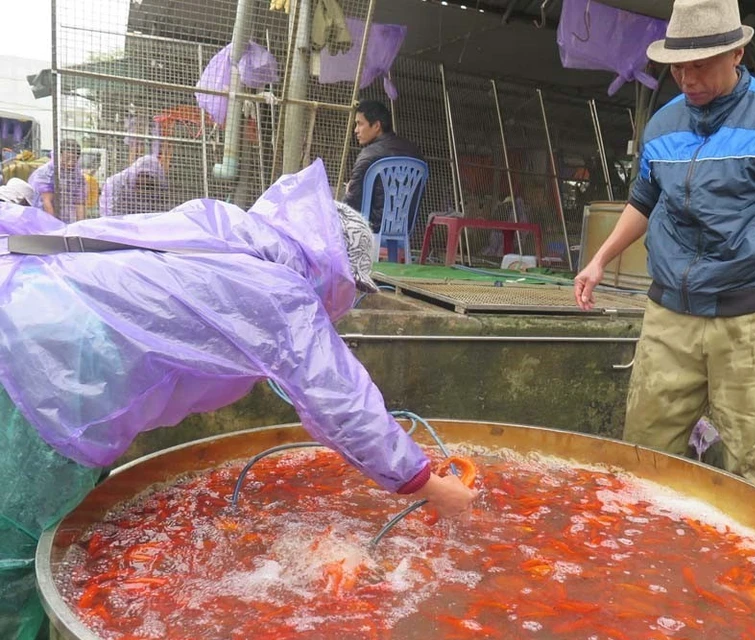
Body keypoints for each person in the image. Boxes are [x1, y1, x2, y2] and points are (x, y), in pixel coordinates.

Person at [0, 159, 475, 639]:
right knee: (18, 551)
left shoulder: (232, 232)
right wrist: (430, 487)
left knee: (58, 527)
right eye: (354, 289)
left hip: (23, 300)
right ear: (337, 267)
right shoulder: (281, 290)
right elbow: (344, 405)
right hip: (48, 370)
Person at [574, 0, 755, 493]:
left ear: (736, 53)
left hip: (748, 317)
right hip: (669, 312)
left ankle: (743, 565)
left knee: (750, 458)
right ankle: (647, 551)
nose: (688, 78)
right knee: (645, 449)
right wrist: (599, 260)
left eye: (700, 65)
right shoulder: (665, 124)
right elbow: (644, 199)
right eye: (678, 68)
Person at [343, 100, 423, 234]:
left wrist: (347, 193)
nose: (355, 130)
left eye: (359, 124)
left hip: (372, 226)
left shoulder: (369, 155)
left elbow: (352, 203)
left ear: (376, 126)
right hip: (406, 225)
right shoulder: (415, 152)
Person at [27, 139, 87, 222]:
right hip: (44, 217)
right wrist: (54, 225)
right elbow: (46, 201)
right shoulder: (46, 172)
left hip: (67, 217)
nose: (70, 163)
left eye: (73, 160)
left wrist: (80, 224)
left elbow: (79, 202)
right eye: (67, 159)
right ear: (59, 156)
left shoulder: (78, 176)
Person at [99, 155, 170, 217]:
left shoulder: (159, 184)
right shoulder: (115, 183)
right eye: (142, 175)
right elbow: (109, 211)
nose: (145, 180)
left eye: (149, 177)